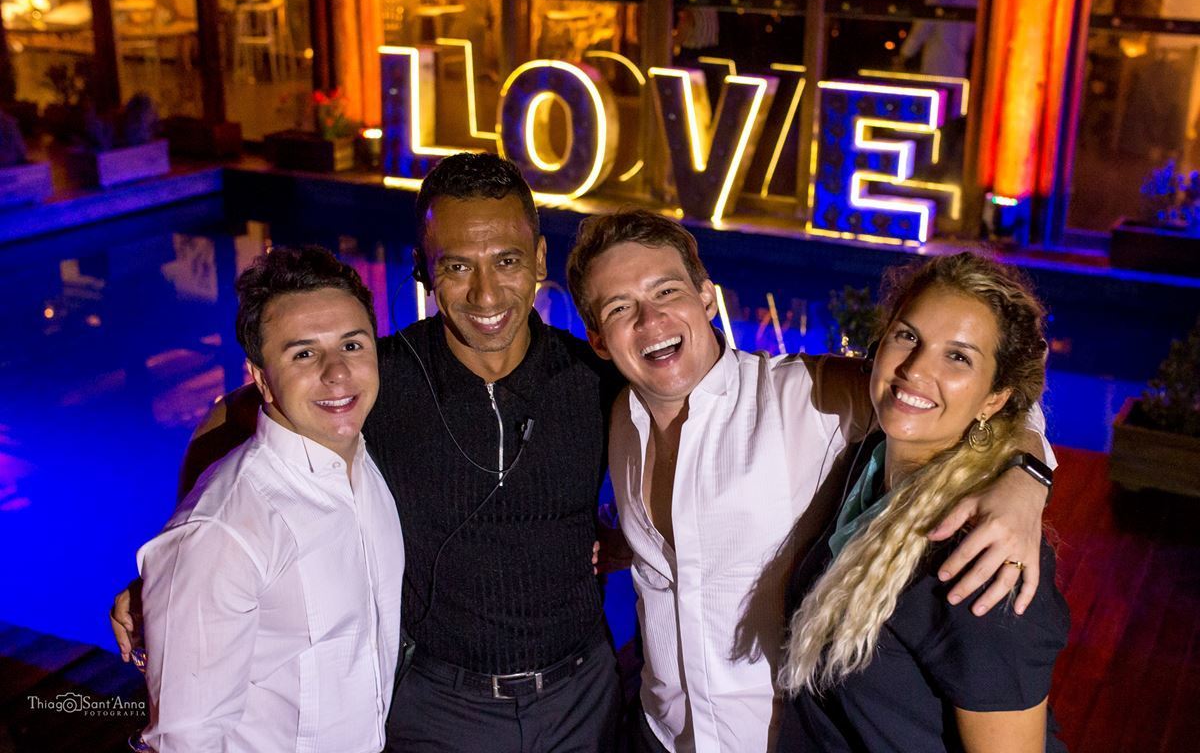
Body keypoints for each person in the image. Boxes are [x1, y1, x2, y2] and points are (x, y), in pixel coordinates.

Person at [113, 153, 622, 752]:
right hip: (436, 707)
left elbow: (669, 473)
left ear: (538, 260)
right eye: (457, 265)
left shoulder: (596, 379)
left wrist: (620, 544)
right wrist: (181, 566)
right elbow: (236, 411)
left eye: (507, 260)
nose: (486, 292)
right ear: (422, 270)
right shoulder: (375, 377)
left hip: (581, 695)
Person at [565, 211, 1056, 753]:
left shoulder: (807, 396)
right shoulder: (619, 420)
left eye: (667, 291)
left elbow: (980, 398)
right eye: (619, 308)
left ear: (707, 299)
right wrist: (626, 542)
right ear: (599, 339)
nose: (650, 320)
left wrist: (1026, 476)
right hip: (659, 733)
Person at [777, 252, 1069, 752]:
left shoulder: (982, 555)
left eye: (958, 357)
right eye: (908, 336)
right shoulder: (866, 466)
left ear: (994, 398)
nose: (915, 369)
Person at [136, 246, 405, 751]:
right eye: (303, 353)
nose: (337, 372)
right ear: (260, 377)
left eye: (352, 345)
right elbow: (186, 741)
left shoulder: (364, 465)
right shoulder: (224, 531)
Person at [899, 0, 978, 78]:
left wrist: (903, 56)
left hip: (935, 65)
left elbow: (920, 32)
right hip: (959, 67)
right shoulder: (974, 1)